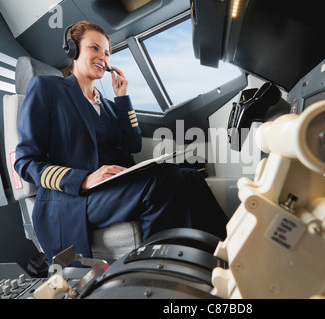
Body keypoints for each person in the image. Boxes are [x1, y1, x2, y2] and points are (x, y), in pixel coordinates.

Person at [15, 21, 228, 263]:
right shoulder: (48, 88)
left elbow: (132, 145)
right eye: (94, 48)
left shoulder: (105, 104)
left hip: (109, 189)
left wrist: (122, 98)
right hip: (71, 199)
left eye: (106, 53)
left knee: (191, 177)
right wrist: (83, 179)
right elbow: (25, 162)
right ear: (72, 51)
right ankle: (155, 268)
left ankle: (224, 253)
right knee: (164, 181)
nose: (102, 58)